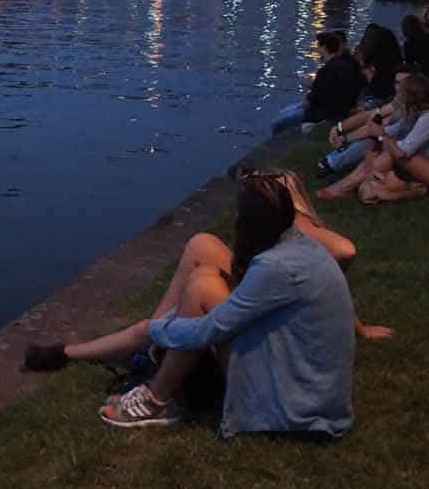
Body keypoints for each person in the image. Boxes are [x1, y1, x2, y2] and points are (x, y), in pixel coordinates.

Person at [24, 170, 380, 433]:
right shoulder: (300, 246)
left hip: (290, 406)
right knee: (202, 254)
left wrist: (155, 329)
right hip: (310, 387)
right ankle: (138, 358)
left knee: (201, 288)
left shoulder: (275, 267)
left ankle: (157, 398)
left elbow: (210, 329)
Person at [318, 73, 429, 202]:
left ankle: (343, 187)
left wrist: (381, 135)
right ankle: (345, 185)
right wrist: (346, 139)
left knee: (393, 152)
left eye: (399, 94)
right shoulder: (414, 116)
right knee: (385, 149)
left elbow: (399, 152)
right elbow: (382, 131)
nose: (395, 99)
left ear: (408, 99)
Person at [316, 63, 421, 178]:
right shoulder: (400, 100)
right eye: (397, 83)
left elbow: (376, 129)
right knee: (371, 133)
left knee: (370, 140)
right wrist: (339, 128)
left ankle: (332, 165)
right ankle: (333, 164)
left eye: (405, 83)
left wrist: (345, 139)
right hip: (392, 143)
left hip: (404, 151)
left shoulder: (414, 108)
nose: (400, 87)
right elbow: (371, 115)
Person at [271, 31, 365, 135]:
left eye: (318, 46)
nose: (317, 50)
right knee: (285, 112)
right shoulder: (349, 64)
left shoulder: (325, 71)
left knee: (277, 123)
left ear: (324, 48)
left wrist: (306, 101)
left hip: (323, 114)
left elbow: (310, 101)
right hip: (343, 108)